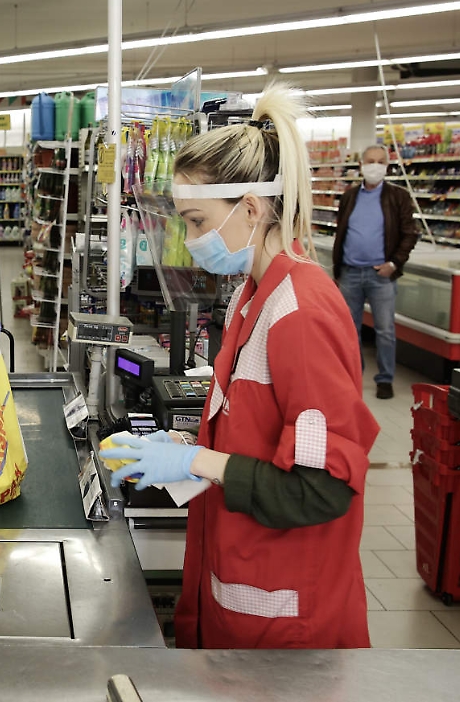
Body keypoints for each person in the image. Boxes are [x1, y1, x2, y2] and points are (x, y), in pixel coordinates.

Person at [100, 84, 379, 650]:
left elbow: (320, 490)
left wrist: (196, 460)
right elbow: (254, 429)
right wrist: (179, 449)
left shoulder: (299, 314)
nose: (189, 239)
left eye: (197, 221)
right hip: (237, 582)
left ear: (251, 208)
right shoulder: (250, 294)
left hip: (284, 618)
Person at [332, 145, 419, 399]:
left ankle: (385, 379)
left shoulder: (398, 197)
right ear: (361, 164)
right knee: (349, 329)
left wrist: (394, 263)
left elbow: (410, 233)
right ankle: (352, 376)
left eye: (381, 162)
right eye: (370, 161)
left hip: (380, 275)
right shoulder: (349, 197)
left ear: (387, 167)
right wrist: (338, 268)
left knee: (385, 330)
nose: (375, 166)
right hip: (349, 272)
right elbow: (342, 233)